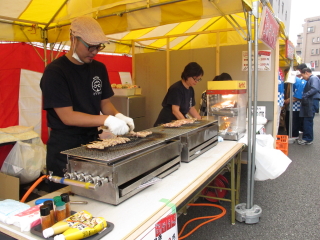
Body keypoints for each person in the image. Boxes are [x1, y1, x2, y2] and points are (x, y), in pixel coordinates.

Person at [40, 16, 134, 190]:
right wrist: (106, 120)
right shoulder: (55, 72)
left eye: (98, 46)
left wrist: (118, 115)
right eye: (90, 46)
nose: (94, 51)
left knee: (93, 194)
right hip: (65, 147)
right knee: (65, 198)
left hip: (91, 144)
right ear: (73, 39)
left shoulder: (98, 68)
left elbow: (104, 103)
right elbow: (67, 116)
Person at [153, 62, 203, 126]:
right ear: (187, 75)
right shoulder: (176, 88)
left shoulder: (190, 89)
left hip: (178, 121)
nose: (197, 81)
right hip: (167, 123)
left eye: (199, 79)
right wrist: (186, 124)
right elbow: (175, 111)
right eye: (195, 79)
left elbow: (191, 108)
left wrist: (201, 121)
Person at [297, 68, 320, 145]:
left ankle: (307, 139)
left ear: (306, 73)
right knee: (307, 120)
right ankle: (307, 138)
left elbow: (315, 89)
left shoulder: (313, 78)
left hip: (311, 102)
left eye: (303, 75)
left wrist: (305, 95)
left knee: (308, 120)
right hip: (310, 101)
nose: (302, 77)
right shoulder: (313, 79)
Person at [284, 66, 307, 138]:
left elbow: (298, 95)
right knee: (288, 120)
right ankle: (290, 134)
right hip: (291, 105)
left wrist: (287, 100)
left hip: (295, 105)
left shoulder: (297, 81)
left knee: (293, 121)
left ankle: (293, 135)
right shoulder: (291, 80)